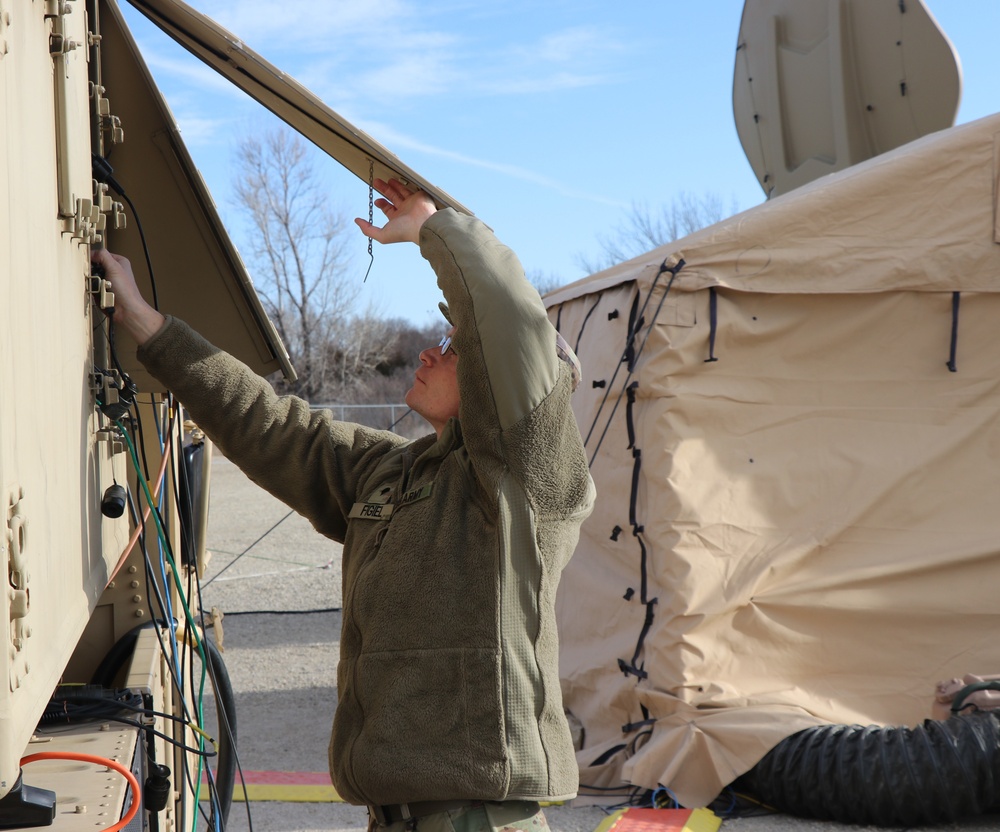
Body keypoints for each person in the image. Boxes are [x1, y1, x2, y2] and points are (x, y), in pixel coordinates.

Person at [93, 178, 596, 832]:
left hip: (479, 820)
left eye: (450, 348)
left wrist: (433, 230)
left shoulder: (529, 478)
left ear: (493, 378)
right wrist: (148, 328)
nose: (426, 352)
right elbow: (273, 426)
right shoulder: (396, 471)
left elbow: (508, 319)